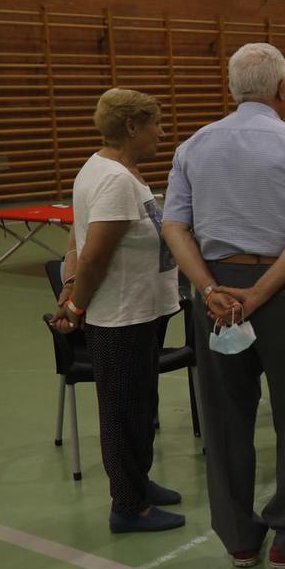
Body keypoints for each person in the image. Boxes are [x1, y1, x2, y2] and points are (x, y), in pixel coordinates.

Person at [162, 42, 285, 569]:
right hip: (281, 288)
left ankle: (240, 537)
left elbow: (174, 226)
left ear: (231, 89)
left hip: (214, 290)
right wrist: (261, 294)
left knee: (223, 417)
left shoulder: (192, 147)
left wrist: (208, 288)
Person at [50, 88, 184, 534]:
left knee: (141, 404)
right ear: (132, 127)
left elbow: (77, 237)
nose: (162, 134)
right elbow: (93, 255)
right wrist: (76, 303)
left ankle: (138, 483)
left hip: (143, 310)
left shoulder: (117, 171)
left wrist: (71, 288)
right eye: (156, 124)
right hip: (120, 315)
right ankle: (128, 506)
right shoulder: (114, 180)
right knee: (123, 409)